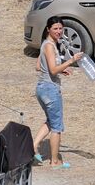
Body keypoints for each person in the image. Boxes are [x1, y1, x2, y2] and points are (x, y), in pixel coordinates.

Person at [32, 17, 82, 169]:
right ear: (48, 29)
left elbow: (38, 66)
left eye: (61, 28)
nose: (59, 31)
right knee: (57, 127)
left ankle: (33, 147)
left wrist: (62, 69)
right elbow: (52, 70)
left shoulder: (47, 44)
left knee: (50, 120)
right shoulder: (49, 46)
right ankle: (54, 161)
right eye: (55, 28)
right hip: (50, 90)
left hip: (42, 88)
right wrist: (70, 61)